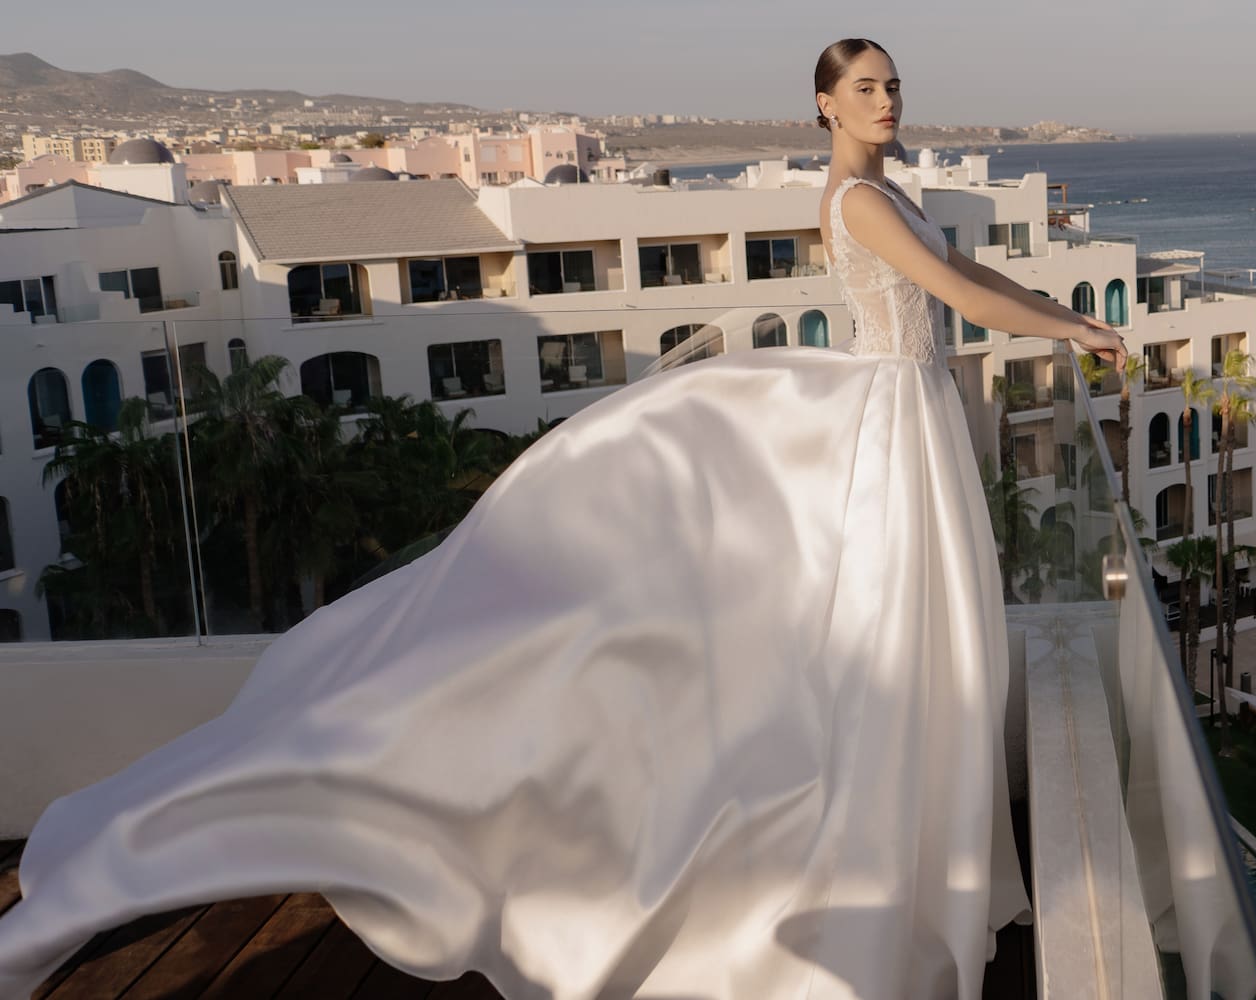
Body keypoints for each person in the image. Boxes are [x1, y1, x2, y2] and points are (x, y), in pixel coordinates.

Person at [0, 37, 1123, 1000]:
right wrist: (1065, 335)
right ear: (823, 105)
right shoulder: (860, 199)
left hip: (912, 418)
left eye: (890, 83)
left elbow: (971, 269)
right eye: (865, 87)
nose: (886, 99)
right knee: (884, 638)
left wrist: (1062, 313)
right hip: (888, 425)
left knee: (914, 640)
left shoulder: (906, 197)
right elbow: (960, 298)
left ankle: (913, 855)